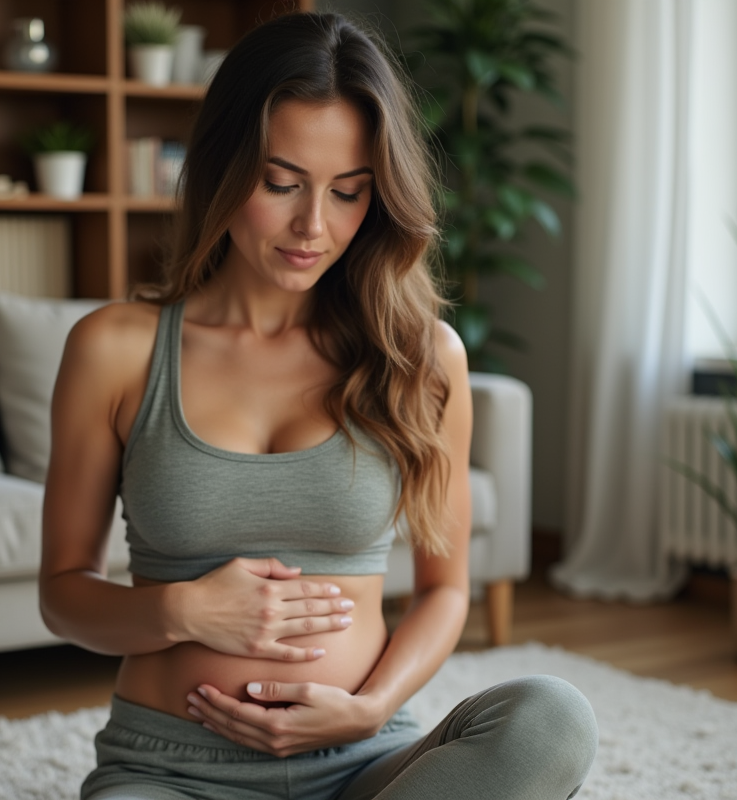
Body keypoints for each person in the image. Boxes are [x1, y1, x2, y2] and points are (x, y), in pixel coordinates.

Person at [39, 11, 597, 800]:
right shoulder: (115, 348)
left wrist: (370, 709)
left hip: (366, 769)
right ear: (223, 168)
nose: (314, 225)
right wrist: (185, 610)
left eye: (347, 193)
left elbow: (444, 590)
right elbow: (64, 593)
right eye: (281, 183)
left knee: (552, 716)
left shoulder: (423, 357)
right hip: (171, 773)